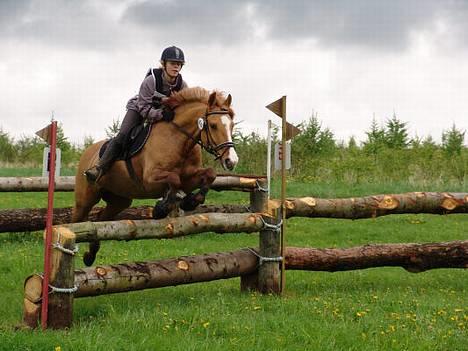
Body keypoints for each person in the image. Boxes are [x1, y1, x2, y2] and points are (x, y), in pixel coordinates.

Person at [85, 46, 188, 182]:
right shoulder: (151, 81)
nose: (176, 67)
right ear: (163, 64)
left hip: (162, 113)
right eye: (172, 64)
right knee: (123, 134)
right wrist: (161, 114)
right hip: (139, 109)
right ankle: (100, 168)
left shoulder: (182, 85)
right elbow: (143, 107)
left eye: (179, 64)